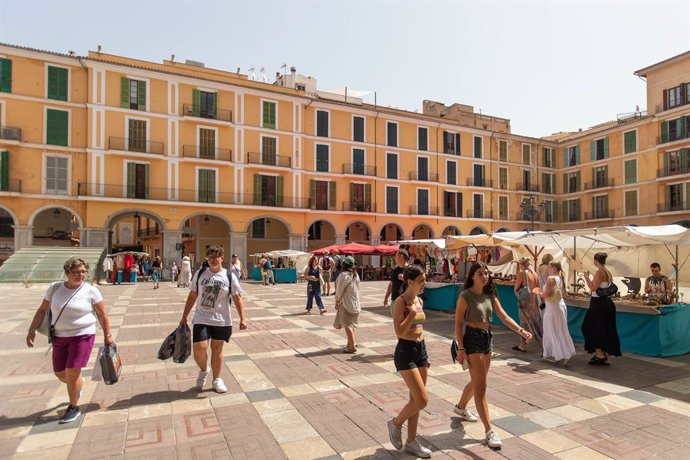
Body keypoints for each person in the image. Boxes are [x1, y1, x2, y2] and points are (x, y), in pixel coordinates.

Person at [454, 262, 533, 449]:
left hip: (487, 338)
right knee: (481, 388)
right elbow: (458, 323)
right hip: (472, 340)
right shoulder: (466, 296)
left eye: (486, 273)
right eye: (480, 273)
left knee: (477, 381)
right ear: (472, 276)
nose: (484, 276)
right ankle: (489, 431)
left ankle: (460, 407)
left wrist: (521, 331)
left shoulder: (490, 294)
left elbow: (504, 316)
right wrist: (461, 348)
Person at [26, 256, 113, 424]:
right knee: (60, 373)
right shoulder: (54, 289)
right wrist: (31, 330)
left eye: (83, 272)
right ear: (67, 273)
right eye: (76, 272)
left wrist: (108, 335)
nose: (80, 275)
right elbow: (42, 310)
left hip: (83, 335)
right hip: (59, 336)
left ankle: (73, 407)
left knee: (72, 370)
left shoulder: (91, 290)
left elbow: (102, 315)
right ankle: (77, 384)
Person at [179, 245, 248, 393]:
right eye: (209, 257)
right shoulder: (200, 273)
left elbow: (237, 297)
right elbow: (192, 295)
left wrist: (243, 318)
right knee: (199, 348)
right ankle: (204, 370)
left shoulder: (229, 276)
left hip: (221, 319)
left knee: (217, 349)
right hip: (201, 317)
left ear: (222, 258)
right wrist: (184, 316)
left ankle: (217, 379)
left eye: (215, 257)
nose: (212, 260)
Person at [387, 265, 432, 458]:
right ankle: (395, 423)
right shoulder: (401, 301)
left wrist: (416, 312)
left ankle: (412, 441)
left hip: (420, 351)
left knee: (415, 400)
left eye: (424, 280)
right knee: (422, 399)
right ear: (410, 282)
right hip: (405, 351)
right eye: (421, 281)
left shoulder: (419, 299)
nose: (424, 284)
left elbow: (419, 326)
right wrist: (412, 314)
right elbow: (399, 332)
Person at [582, 252, 622, 366]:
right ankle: (604, 354)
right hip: (605, 303)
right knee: (603, 328)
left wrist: (586, 278)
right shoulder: (607, 272)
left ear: (595, 261)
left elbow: (593, 288)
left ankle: (600, 353)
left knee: (589, 327)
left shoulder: (599, 272)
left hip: (598, 303)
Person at [539, 261, 575, 365]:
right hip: (559, 306)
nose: (547, 269)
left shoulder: (551, 279)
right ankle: (562, 352)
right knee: (560, 330)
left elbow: (545, 295)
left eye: (549, 267)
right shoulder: (560, 278)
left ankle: (562, 353)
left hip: (553, 308)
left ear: (553, 267)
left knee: (552, 330)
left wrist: (537, 292)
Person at [512, 257, 543, 352]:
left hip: (525, 302)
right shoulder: (535, 274)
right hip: (534, 300)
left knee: (525, 323)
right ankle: (543, 344)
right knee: (536, 323)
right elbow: (538, 288)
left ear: (521, 264)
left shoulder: (522, 273)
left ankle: (523, 345)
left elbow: (516, 288)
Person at [334, 256, 361, 353]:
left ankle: (352, 346)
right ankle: (351, 343)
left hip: (346, 303)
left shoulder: (343, 275)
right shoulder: (356, 274)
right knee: (351, 324)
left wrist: (336, 301)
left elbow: (339, 290)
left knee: (347, 324)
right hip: (355, 303)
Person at [383, 248, 410, 314]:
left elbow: (414, 284)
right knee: (396, 322)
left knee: (404, 321)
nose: (394, 258)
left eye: (396, 256)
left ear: (401, 256)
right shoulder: (395, 270)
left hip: (405, 301)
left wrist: (404, 278)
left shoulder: (410, 269)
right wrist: (386, 297)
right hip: (394, 300)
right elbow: (391, 284)